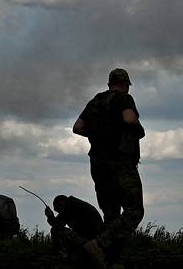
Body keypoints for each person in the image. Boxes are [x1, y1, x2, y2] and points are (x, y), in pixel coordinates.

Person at [73, 67, 145, 268]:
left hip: (97, 163)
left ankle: (111, 261)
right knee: (134, 211)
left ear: (109, 83)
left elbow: (77, 127)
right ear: (126, 84)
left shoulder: (96, 100)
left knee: (111, 214)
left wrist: (97, 134)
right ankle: (99, 244)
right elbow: (129, 119)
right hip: (120, 163)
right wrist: (138, 129)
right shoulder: (123, 99)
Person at [46, 194, 104, 266]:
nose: (58, 212)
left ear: (61, 203)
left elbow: (57, 225)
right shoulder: (73, 204)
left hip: (89, 239)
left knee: (55, 231)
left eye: (58, 210)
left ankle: (60, 254)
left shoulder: (69, 207)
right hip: (96, 237)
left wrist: (50, 217)